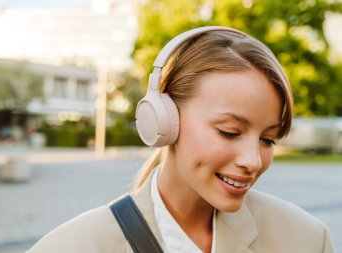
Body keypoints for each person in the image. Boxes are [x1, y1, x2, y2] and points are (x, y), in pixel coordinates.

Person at [27, 26, 335, 253]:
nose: (253, 161)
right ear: (165, 120)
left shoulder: (308, 240)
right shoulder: (69, 247)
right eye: (230, 132)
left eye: (268, 140)